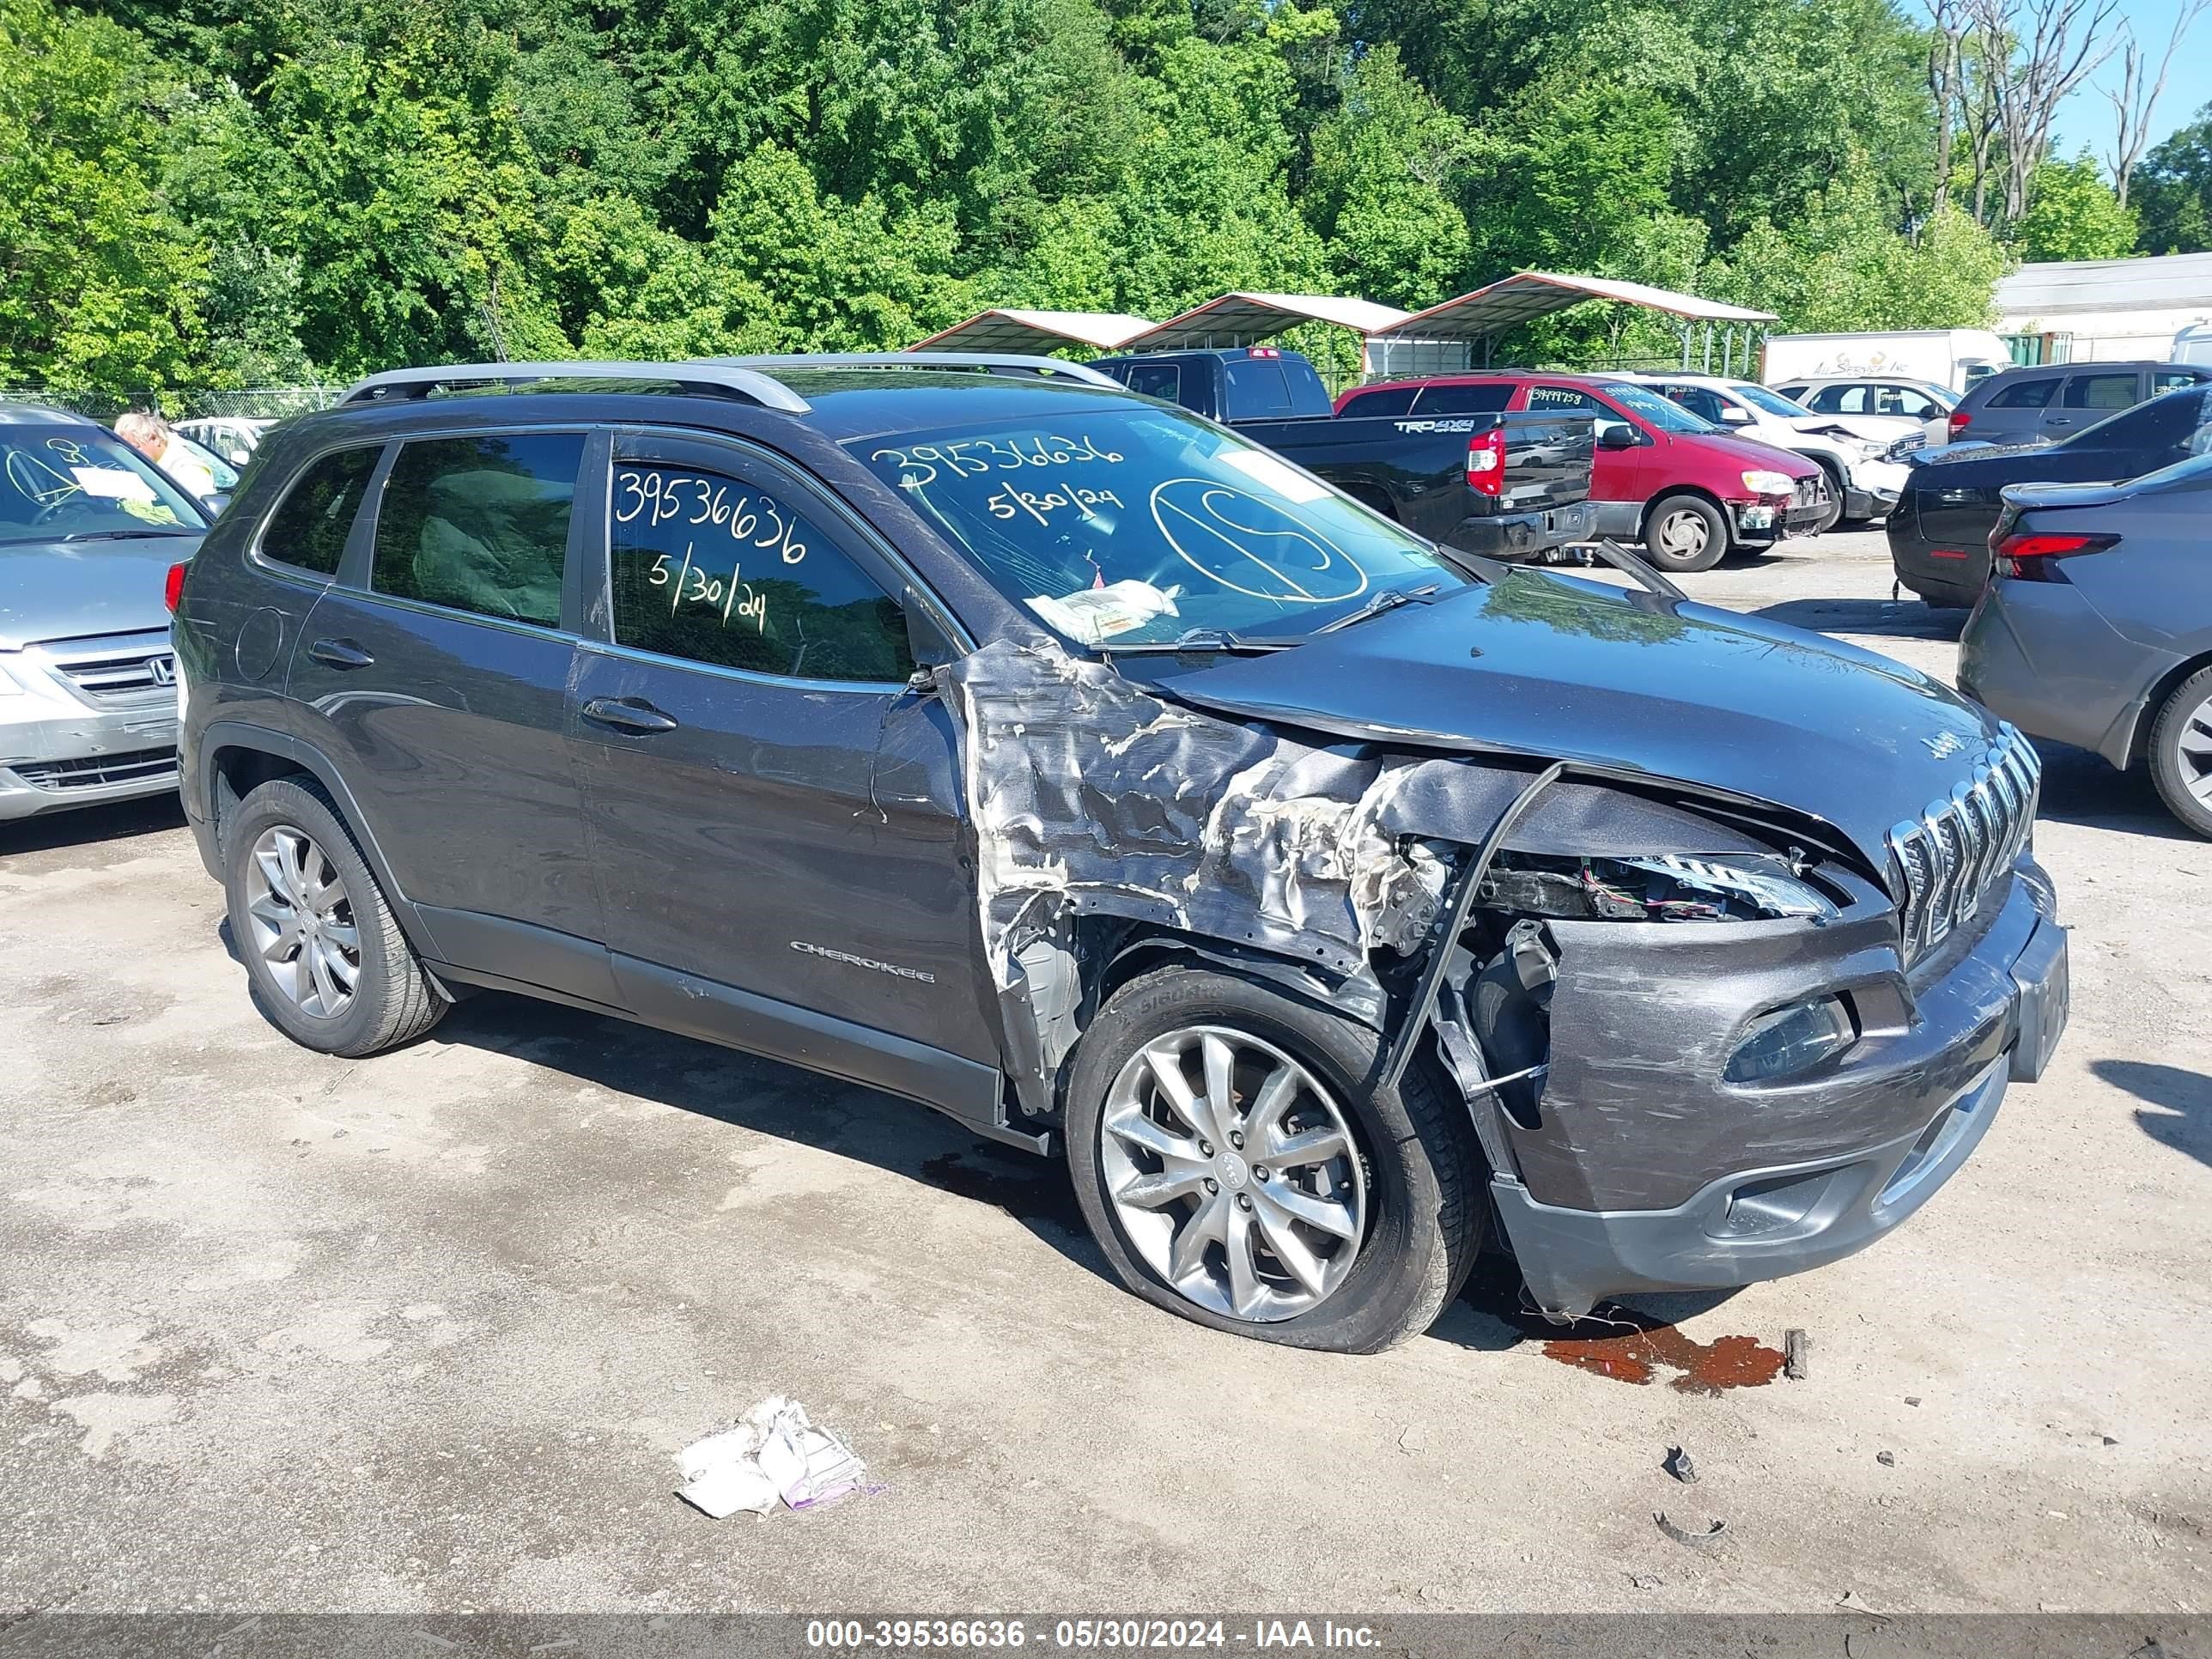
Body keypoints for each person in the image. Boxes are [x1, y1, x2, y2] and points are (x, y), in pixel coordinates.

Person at [115, 410, 219, 502]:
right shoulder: (150, 464)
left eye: (135, 448)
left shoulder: (189, 470)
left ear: (154, 439)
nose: (130, 454)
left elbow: (196, 517)